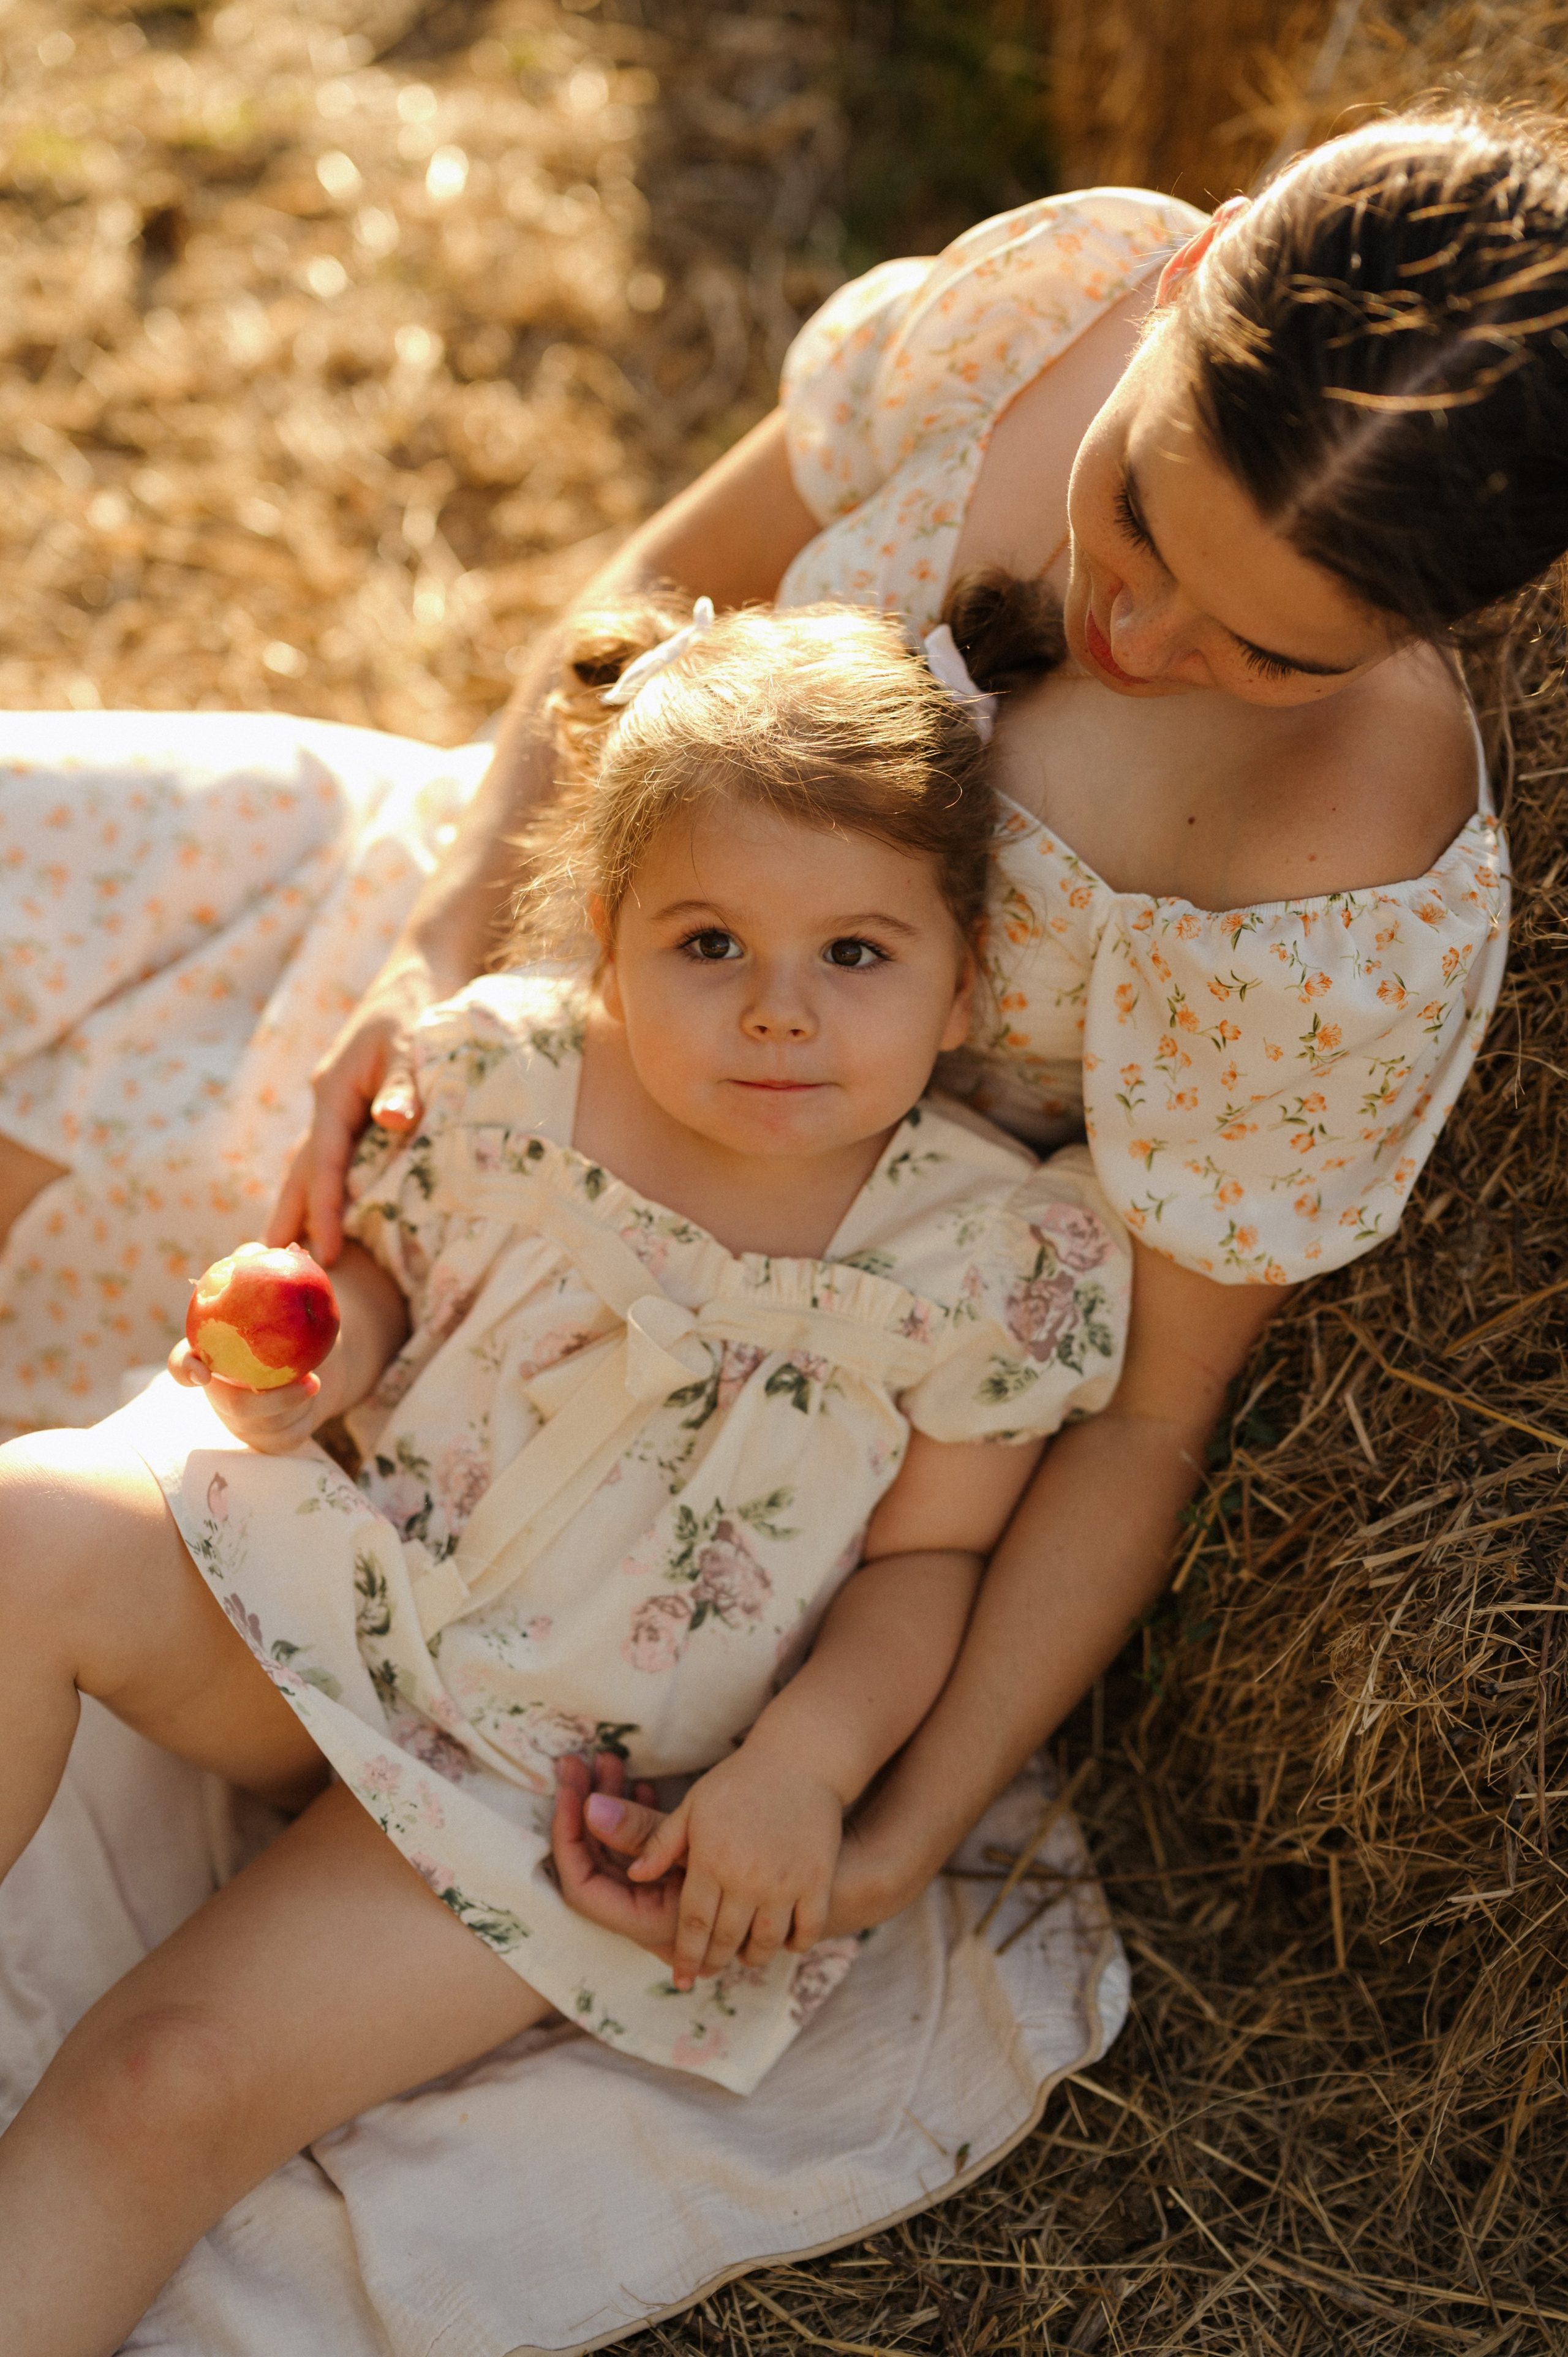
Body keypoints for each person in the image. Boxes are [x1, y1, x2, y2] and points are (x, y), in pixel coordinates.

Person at [0, 107, 1547, 1939]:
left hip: (649, 1283)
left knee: (126, 1219)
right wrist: (433, 958)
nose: (1132, 625)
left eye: (1266, 650)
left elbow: (1147, 1415)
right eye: (1135, 509)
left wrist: (901, 1822)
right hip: (494, 943)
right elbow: (637, 602)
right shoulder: (1062, 297)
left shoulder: (1346, 869)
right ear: (1194, 273)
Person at [0, 594, 1135, 2350]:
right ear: (608, 943)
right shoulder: (508, 1083)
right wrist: (324, 1360)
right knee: (30, 1519)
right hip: (347, 1592)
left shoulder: (983, 1257)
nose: (778, 1015)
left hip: (564, 1788)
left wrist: (801, 1772)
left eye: (856, 955)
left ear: (964, 977)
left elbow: (930, 1574)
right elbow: (388, 1288)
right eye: (707, 946)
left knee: (169, 2080)